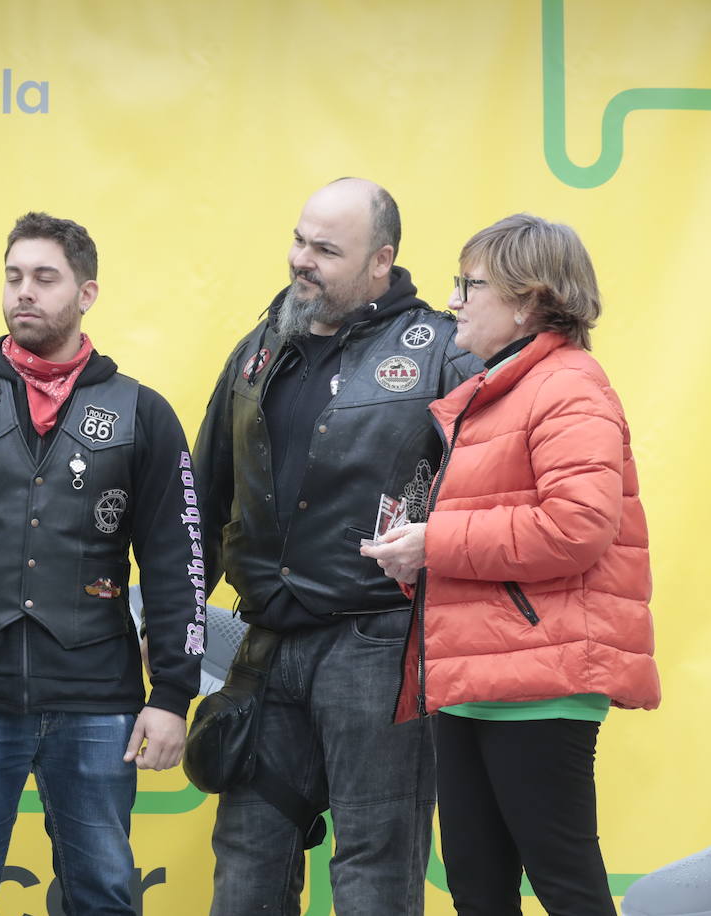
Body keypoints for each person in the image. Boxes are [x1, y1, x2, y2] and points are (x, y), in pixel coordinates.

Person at [0, 212, 203, 915]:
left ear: (87, 293)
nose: (23, 292)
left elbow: (176, 561)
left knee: (104, 895)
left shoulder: (142, 412)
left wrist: (173, 694)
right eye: (13, 277)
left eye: (44, 278)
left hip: (97, 700)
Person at [194, 178, 480, 915]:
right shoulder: (259, 345)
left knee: (374, 871)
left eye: (326, 249)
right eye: (299, 240)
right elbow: (205, 491)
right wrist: (181, 632)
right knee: (247, 863)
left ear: (381, 260)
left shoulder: (443, 350)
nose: (302, 260)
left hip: (378, 644)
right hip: (264, 643)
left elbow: (486, 494)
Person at [362, 213, 660, 915]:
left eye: (469, 285)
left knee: (565, 886)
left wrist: (434, 541)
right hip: (477, 675)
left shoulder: (568, 385)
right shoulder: (500, 388)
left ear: (528, 299)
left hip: (539, 678)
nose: (454, 301)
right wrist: (415, 555)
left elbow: (577, 526)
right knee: (478, 890)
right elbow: (496, 529)